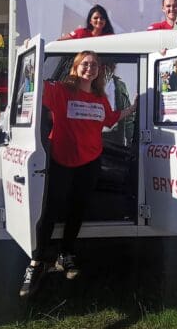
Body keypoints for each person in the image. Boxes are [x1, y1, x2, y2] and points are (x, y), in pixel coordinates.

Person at [20, 50, 136, 297]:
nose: (89, 68)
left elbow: (110, 118)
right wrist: (31, 54)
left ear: (98, 71)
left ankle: (66, 254)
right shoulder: (61, 91)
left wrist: (133, 108)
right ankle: (36, 262)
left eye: (94, 65)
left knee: (77, 209)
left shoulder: (100, 97)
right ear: (75, 67)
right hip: (62, 161)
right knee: (51, 211)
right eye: (85, 64)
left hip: (90, 162)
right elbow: (32, 84)